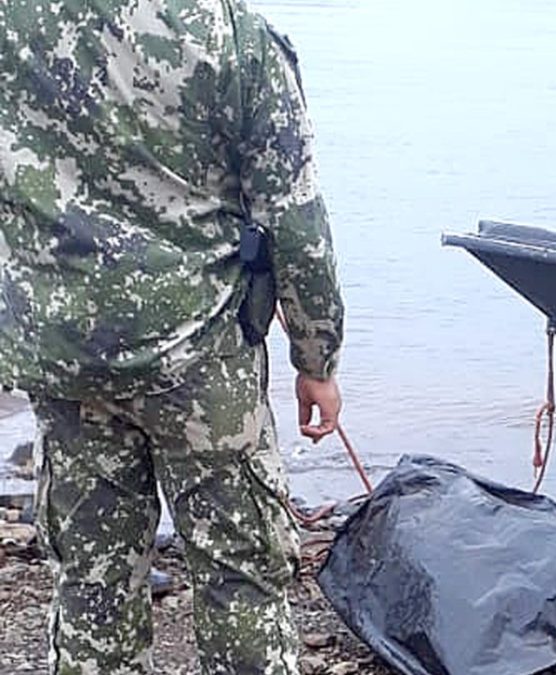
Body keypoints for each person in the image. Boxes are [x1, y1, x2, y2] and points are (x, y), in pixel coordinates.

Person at [0, 1, 344, 673]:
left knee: (91, 584)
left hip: (67, 353)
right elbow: (296, 223)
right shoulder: (234, 37)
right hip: (201, 355)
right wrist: (317, 356)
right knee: (241, 575)